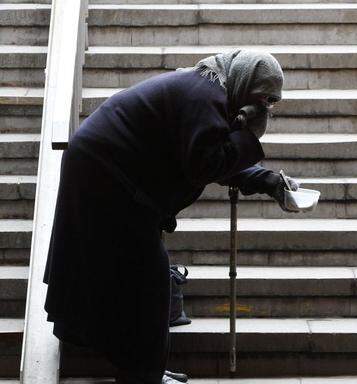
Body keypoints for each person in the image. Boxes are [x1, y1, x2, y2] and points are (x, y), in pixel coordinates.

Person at [42, 50, 298, 383]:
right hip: (105, 175)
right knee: (150, 283)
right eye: (263, 98)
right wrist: (249, 136)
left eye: (271, 102)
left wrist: (270, 181)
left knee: (134, 282)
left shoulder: (213, 93)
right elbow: (204, 164)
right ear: (245, 83)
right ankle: (143, 375)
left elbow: (208, 154)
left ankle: (141, 370)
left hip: (114, 176)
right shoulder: (205, 96)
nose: (265, 108)